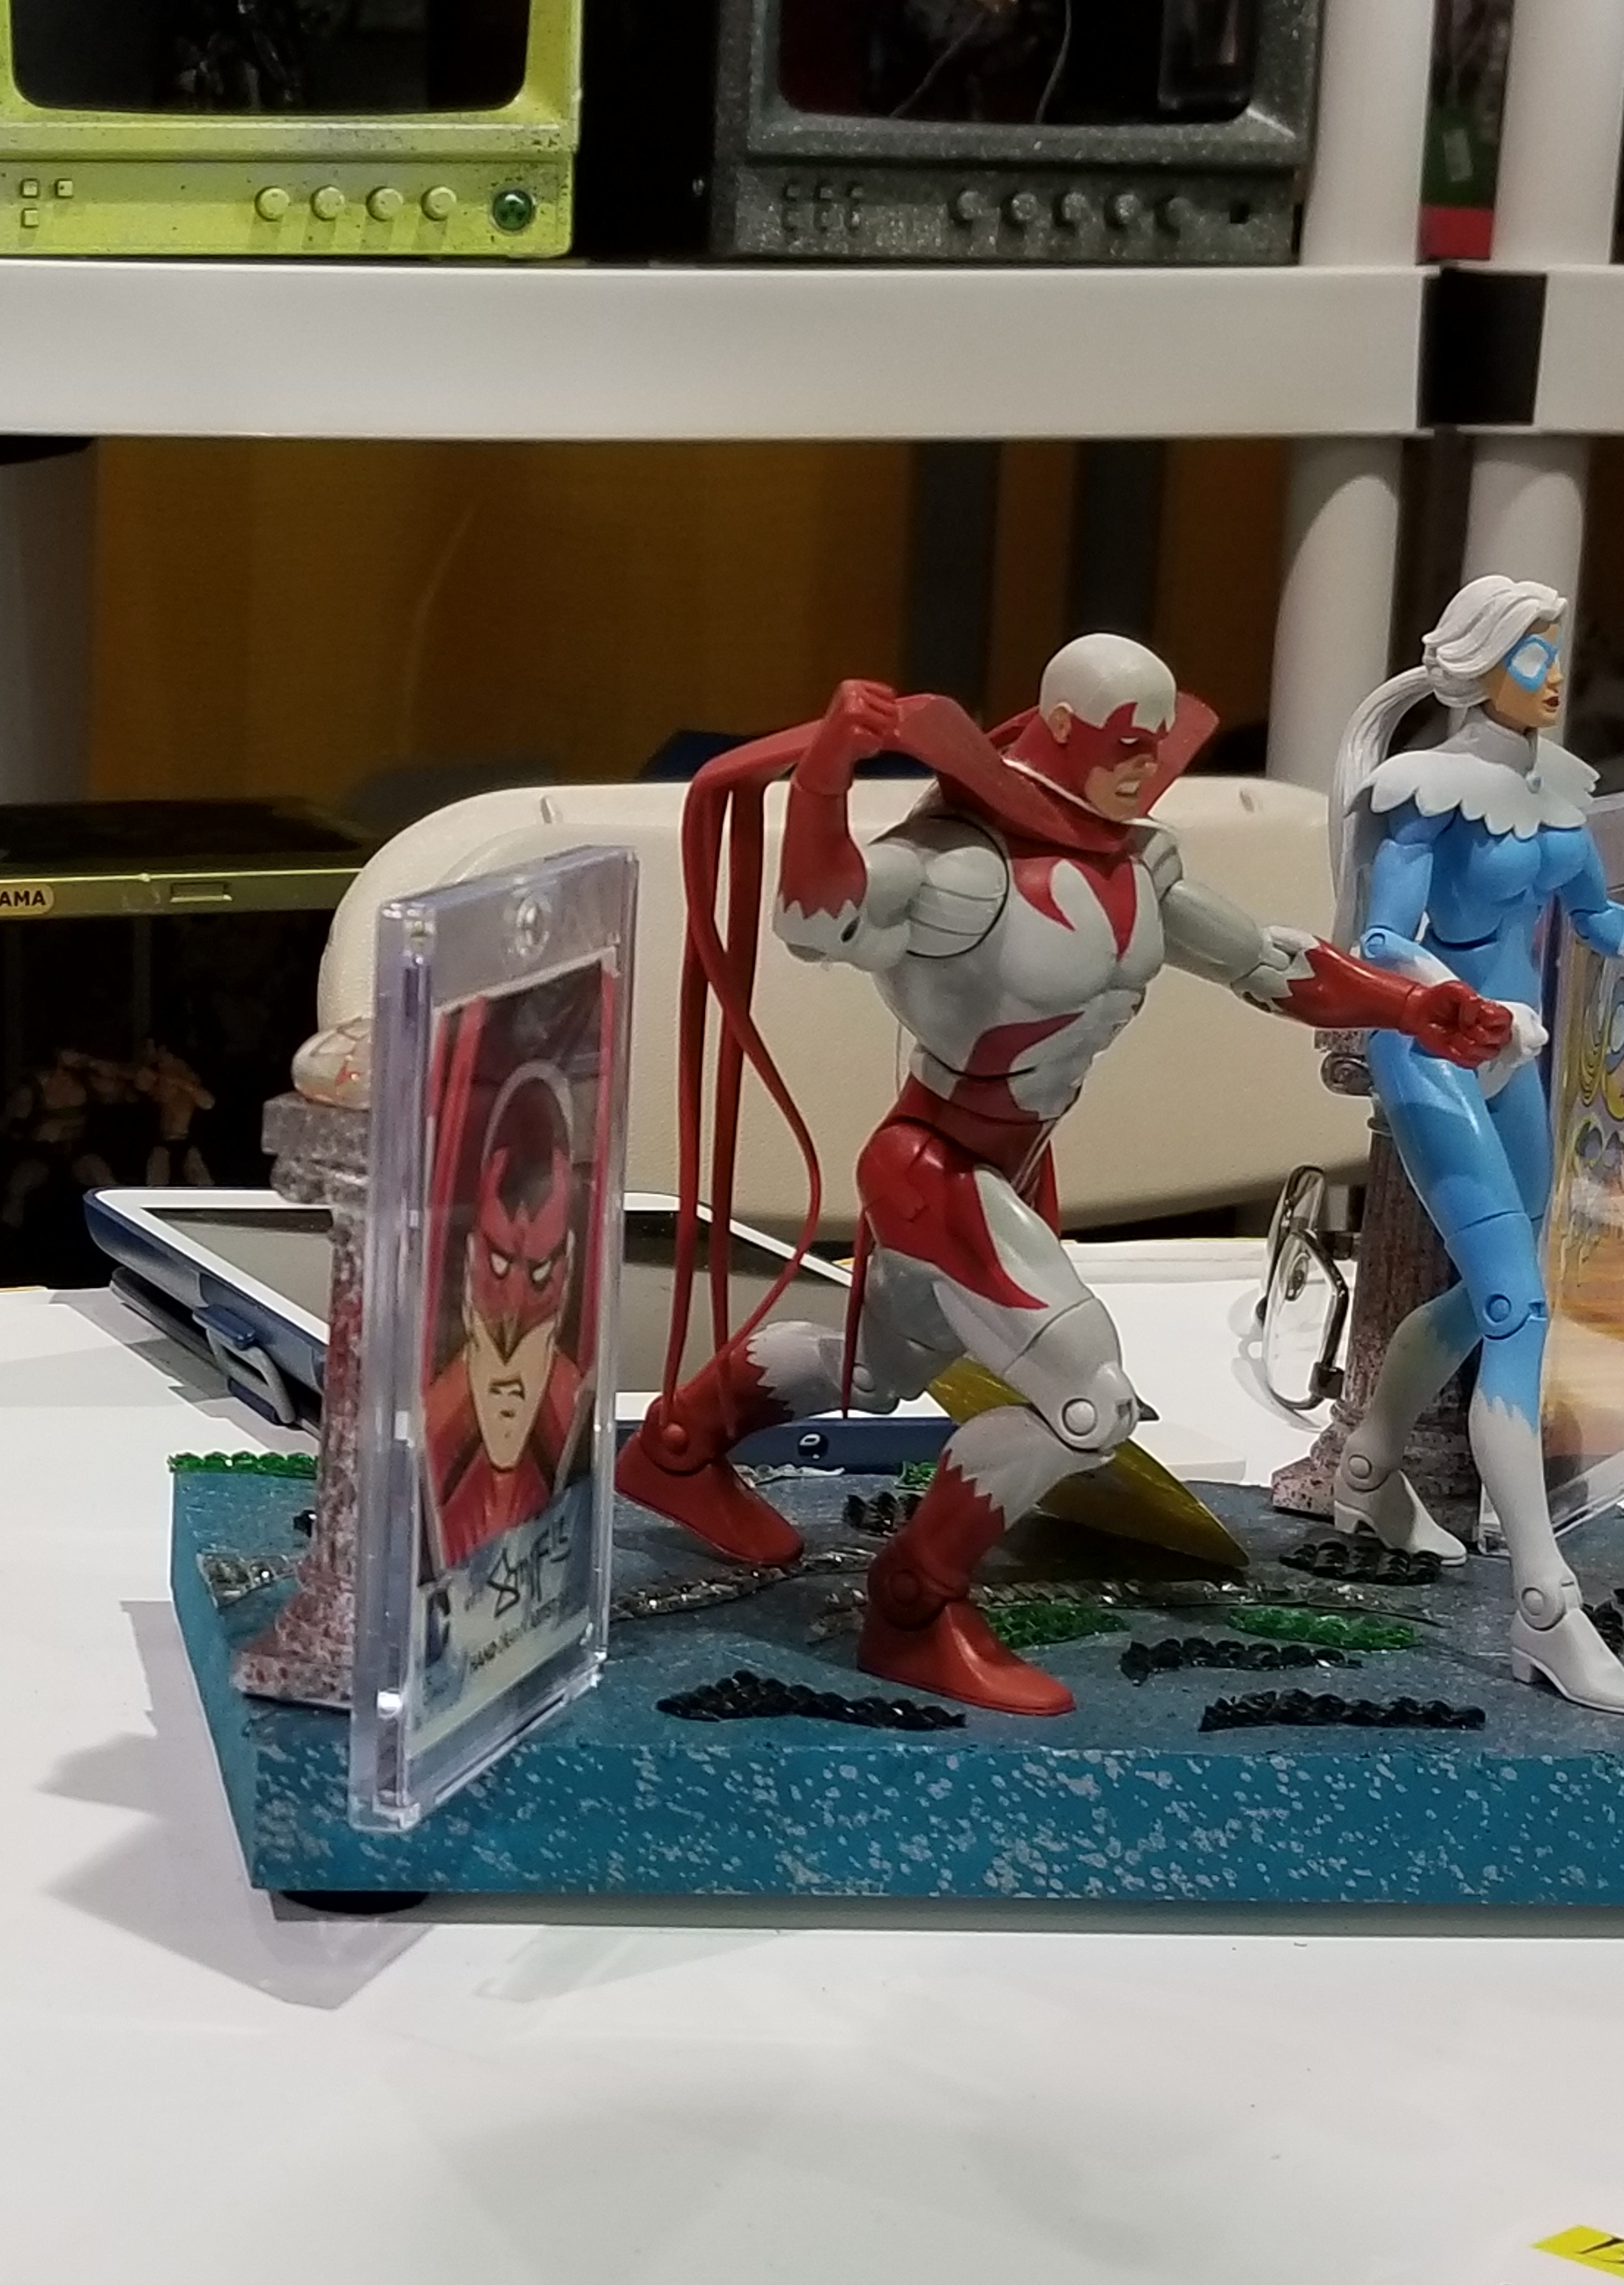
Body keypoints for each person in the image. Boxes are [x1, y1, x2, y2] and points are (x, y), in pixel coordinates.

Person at [626, 635, 1516, 1713]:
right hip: (936, 1162)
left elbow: (1268, 964)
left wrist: (1409, 1006)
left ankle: (678, 1445)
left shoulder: (1139, 864)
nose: (1144, 765)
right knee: (1089, 1403)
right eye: (1121, 742)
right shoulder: (964, 869)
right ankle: (914, 1602)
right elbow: (818, 920)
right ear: (1059, 729)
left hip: (1010, 1163)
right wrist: (824, 784)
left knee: (874, 1373)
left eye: (1157, 743)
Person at [1327, 575, 1624, 1714]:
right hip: (1435, 1050)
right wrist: (1470, 1009)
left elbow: (1605, 919)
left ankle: (1368, 1466)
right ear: (1482, 665)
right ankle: (1543, 1603)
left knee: (1500, 1286)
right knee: (1518, 1310)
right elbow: (1383, 941)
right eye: (1531, 654)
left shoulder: (1557, 792)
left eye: (1556, 651)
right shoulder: (1426, 793)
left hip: (1512, 1059)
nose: (1553, 674)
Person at [426, 1067, 589, 1563]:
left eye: (540, 1272)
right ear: (471, 1258)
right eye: (498, 1264)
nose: (515, 1301)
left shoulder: (571, 1407)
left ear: (568, 1265)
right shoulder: (429, 1423)